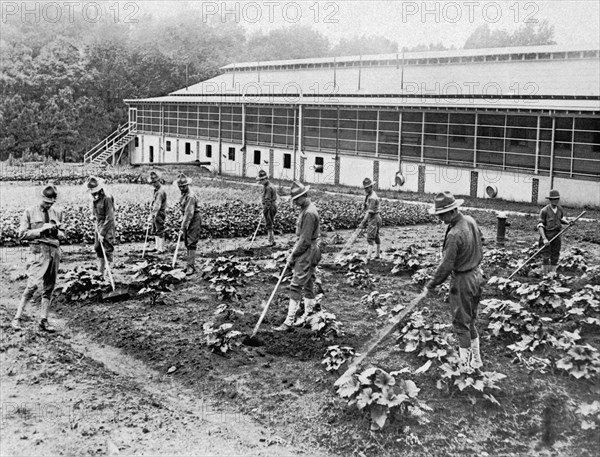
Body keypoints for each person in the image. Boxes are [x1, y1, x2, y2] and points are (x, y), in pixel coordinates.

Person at [422, 191, 484, 372]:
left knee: (461, 325)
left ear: (450, 212)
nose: (440, 218)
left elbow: (446, 265)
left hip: (463, 280)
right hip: (477, 276)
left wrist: (431, 284)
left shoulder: (455, 234)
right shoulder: (470, 221)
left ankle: (464, 367)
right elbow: (481, 241)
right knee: (470, 320)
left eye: (441, 215)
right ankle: (477, 361)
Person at [11, 185, 65, 333]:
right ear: (41, 198)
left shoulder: (58, 212)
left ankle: (43, 320)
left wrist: (58, 233)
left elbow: (64, 234)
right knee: (32, 285)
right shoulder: (30, 212)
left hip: (54, 251)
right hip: (38, 252)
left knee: (49, 287)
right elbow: (22, 234)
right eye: (46, 202)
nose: (48, 205)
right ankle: (17, 318)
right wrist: (40, 230)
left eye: (51, 203)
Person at [275, 182, 321, 331]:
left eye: (296, 199)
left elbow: (305, 240)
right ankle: (308, 315)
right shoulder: (306, 208)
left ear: (302, 197)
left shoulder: (309, 213)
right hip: (309, 249)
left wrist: (293, 255)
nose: (294, 203)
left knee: (296, 285)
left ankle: (288, 322)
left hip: (307, 251)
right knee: (307, 283)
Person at [87, 176, 116, 280]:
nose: (92, 193)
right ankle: (100, 273)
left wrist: (103, 233)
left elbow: (110, 217)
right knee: (98, 248)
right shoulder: (95, 198)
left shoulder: (107, 198)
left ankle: (108, 275)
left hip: (107, 226)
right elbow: (94, 210)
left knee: (107, 248)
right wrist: (92, 215)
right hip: (98, 224)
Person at [537, 189, 570, 275]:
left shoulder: (560, 209)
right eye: (554, 199)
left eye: (557, 199)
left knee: (555, 255)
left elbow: (561, 219)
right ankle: (545, 275)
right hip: (547, 235)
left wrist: (568, 222)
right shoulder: (544, 211)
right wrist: (544, 239)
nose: (556, 201)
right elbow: (540, 226)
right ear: (550, 200)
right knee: (545, 256)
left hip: (557, 235)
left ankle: (552, 274)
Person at [176, 173, 202, 275]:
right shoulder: (183, 194)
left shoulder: (190, 196)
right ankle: (188, 265)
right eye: (180, 187)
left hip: (194, 219)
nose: (181, 188)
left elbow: (189, 213)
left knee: (191, 242)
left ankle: (190, 267)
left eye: (183, 186)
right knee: (187, 241)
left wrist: (183, 226)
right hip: (187, 218)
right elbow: (183, 210)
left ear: (187, 185)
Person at [359, 177, 382, 261]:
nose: (365, 189)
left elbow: (369, 212)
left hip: (374, 218)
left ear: (371, 187)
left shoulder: (372, 197)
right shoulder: (370, 195)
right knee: (376, 236)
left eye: (367, 188)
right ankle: (377, 254)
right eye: (365, 188)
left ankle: (368, 257)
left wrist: (363, 222)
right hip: (376, 217)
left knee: (370, 238)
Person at [257, 170, 278, 246]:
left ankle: (270, 241)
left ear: (265, 179)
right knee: (270, 223)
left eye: (261, 180)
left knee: (269, 223)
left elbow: (267, 201)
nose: (260, 182)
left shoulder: (268, 188)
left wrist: (265, 210)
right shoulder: (270, 185)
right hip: (273, 206)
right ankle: (272, 240)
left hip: (269, 207)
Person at [148, 171, 167, 253]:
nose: (153, 184)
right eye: (152, 182)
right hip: (156, 213)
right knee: (155, 229)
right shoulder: (156, 190)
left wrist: (151, 214)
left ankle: (161, 248)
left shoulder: (160, 192)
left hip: (159, 213)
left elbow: (157, 205)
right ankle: (156, 246)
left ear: (159, 181)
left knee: (160, 230)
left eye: (155, 182)